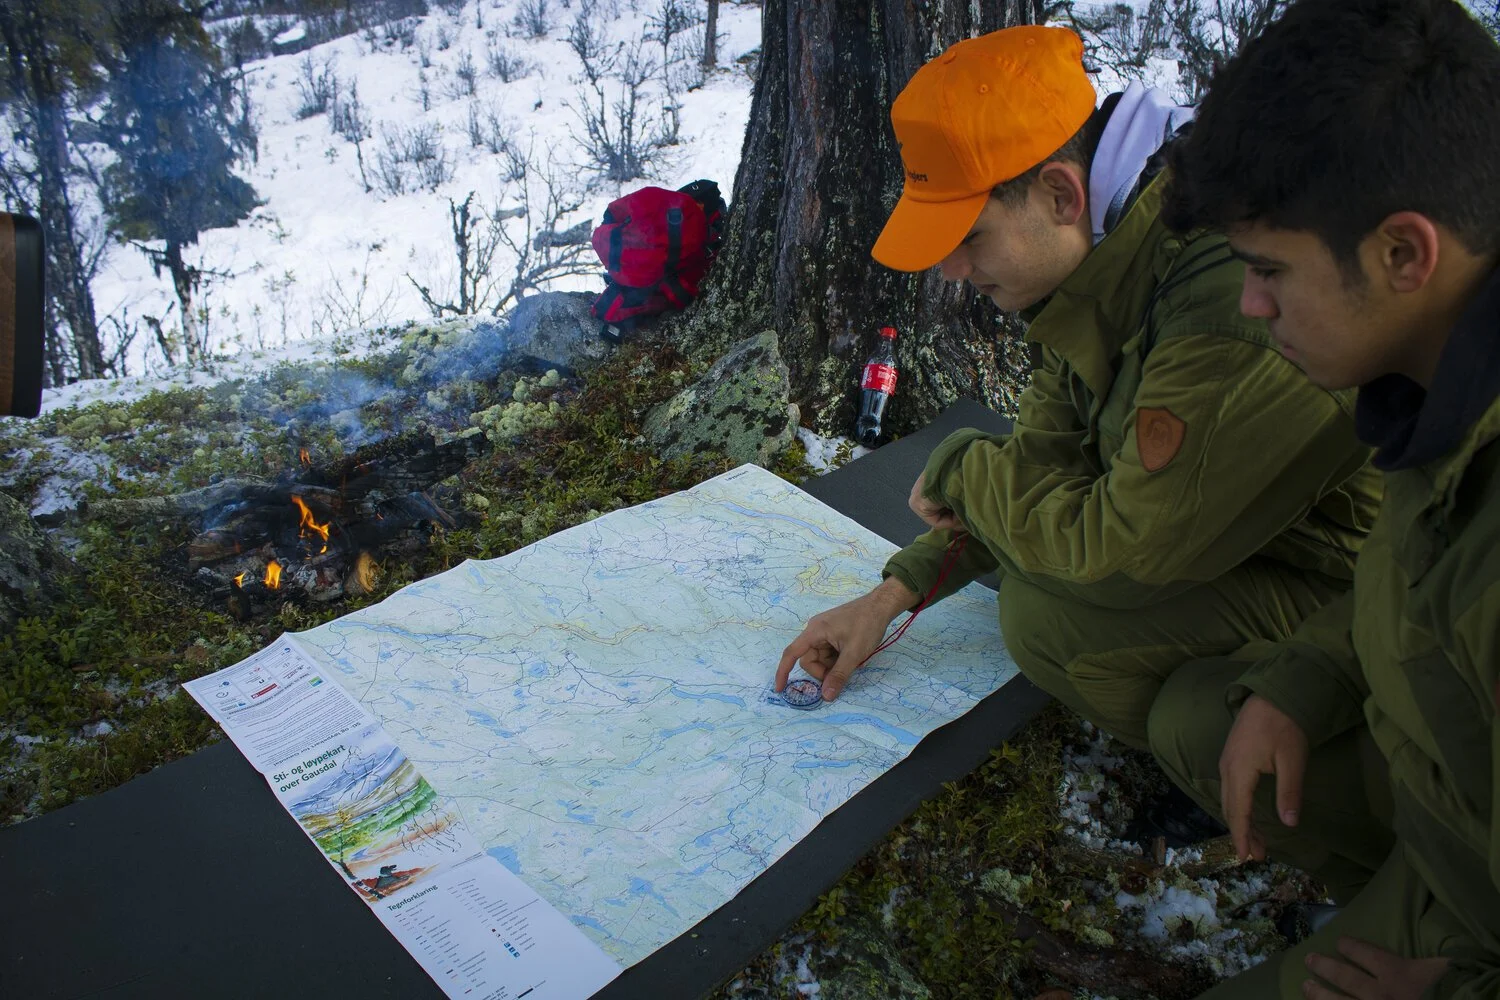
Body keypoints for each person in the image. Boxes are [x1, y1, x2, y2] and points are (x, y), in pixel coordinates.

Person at [774, 25, 1381, 760]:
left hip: (1364, 592)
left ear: (1060, 193)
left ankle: (1315, 755)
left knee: (1050, 621)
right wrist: (888, 597)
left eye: (968, 235)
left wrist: (963, 468)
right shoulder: (1103, 258)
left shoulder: (1225, 294)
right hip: (1250, 536)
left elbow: (1120, 557)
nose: (953, 272)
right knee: (1042, 592)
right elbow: (1044, 461)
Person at [1147, 0, 1500, 995]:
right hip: (1449, 849)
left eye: (1269, 271)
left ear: (1404, 254)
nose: (1252, 306)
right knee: (1205, 717)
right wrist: (1301, 680)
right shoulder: (1442, 385)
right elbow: (1424, 579)